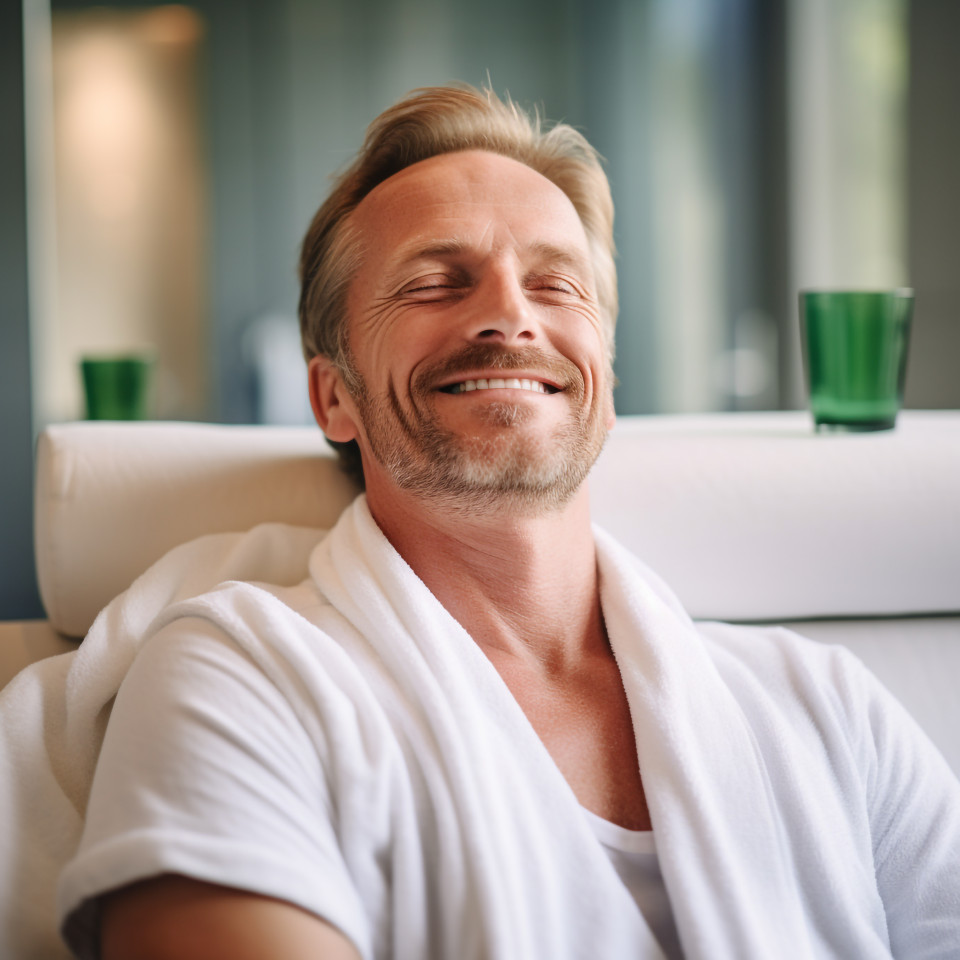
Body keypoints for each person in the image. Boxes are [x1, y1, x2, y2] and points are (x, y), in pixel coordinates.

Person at [56, 85, 960, 960]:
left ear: (605, 379)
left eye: (554, 284)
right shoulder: (241, 677)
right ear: (334, 396)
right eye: (436, 282)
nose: (508, 316)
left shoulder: (825, 707)